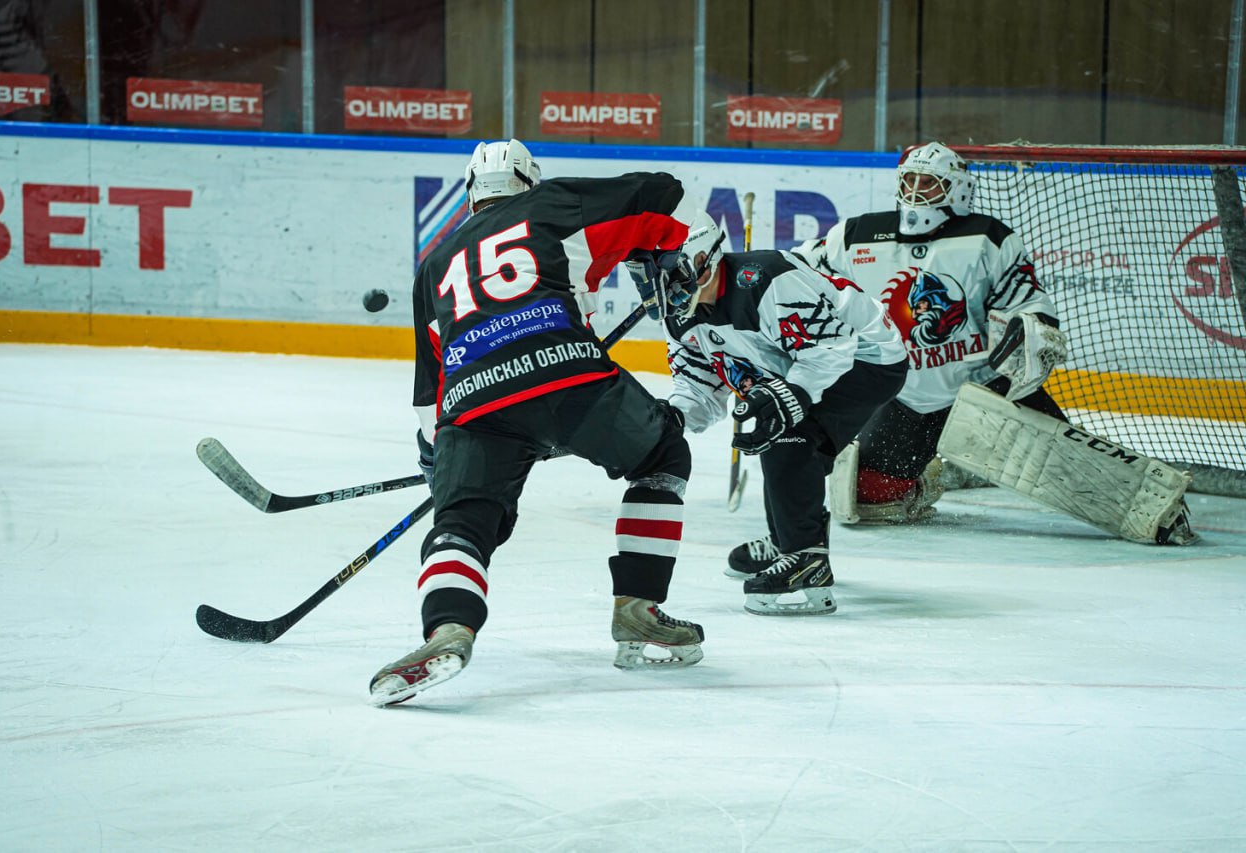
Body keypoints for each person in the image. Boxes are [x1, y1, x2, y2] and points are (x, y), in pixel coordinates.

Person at [369, 140, 708, 706]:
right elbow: (662, 192)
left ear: (471, 192)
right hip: (566, 376)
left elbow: (430, 397)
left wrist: (439, 460)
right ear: (529, 181)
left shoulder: (432, 265)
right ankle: (638, 610)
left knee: (464, 519)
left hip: (472, 406)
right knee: (663, 456)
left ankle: (447, 627)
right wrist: (678, 260)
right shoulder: (556, 203)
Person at [793, 141, 1194, 544]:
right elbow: (800, 273)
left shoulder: (989, 237)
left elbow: (1027, 302)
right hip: (905, 395)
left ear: (958, 190)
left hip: (985, 391)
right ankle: (924, 479)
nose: (916, 192)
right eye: (909, 180)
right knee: (866, 499)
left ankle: (1161, 510)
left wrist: (1033, 332)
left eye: (929, 183)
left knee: (1072, 471)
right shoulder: (855, 235)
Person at [626, 211, 908, 616]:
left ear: (703, 260)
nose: (658, 286)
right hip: (806, 365)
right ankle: (789, 540)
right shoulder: (680, 317)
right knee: (784, 429)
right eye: (647, 274)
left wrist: (787, 395)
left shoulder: (767, 283)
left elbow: (832, 348)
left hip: (866, 357)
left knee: (790, 435)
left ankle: (806, 558)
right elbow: (701, 388)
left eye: (668, 272)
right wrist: (670, 420)